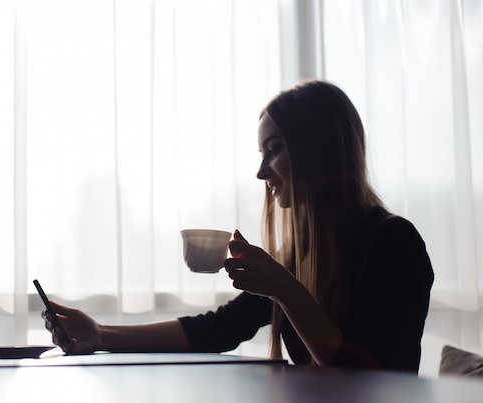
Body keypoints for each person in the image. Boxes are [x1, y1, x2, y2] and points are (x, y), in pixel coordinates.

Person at [42, 80, 434, 373]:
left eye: (274, 149)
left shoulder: (394, 244)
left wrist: (283, 288)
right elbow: (219, 329)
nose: (262, 171)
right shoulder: (303, 254)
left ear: (320, 149)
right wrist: (99, 335)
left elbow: (367, 379)